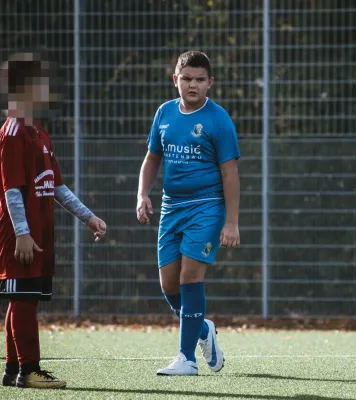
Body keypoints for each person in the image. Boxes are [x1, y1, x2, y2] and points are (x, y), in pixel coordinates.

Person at [0, 52, 107, 389]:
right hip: (20, 235)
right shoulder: (13, 131)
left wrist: (88, 217)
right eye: (41, 83)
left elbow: (55, 184)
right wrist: (23, 233)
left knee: (24, 299)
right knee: (23, 299)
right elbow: (11, 189)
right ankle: (30, 370)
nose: (47, 89)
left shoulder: (39, 131)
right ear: (24, 87)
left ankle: (14, 370)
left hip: (38, 233)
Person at [136, 50, 240, 376]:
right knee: (168, 285)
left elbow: (230, 174)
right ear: (175, 81)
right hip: (171, 207)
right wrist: (142, 194)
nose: (192, 85)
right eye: (186, 79)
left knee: (190, 278)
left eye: (199, 79)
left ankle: (187, 359)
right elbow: (153, 158)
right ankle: (203, 329)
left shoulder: (218, 119)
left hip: (207, 207)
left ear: (210, 82)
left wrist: (232, 222)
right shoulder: (164, 113)